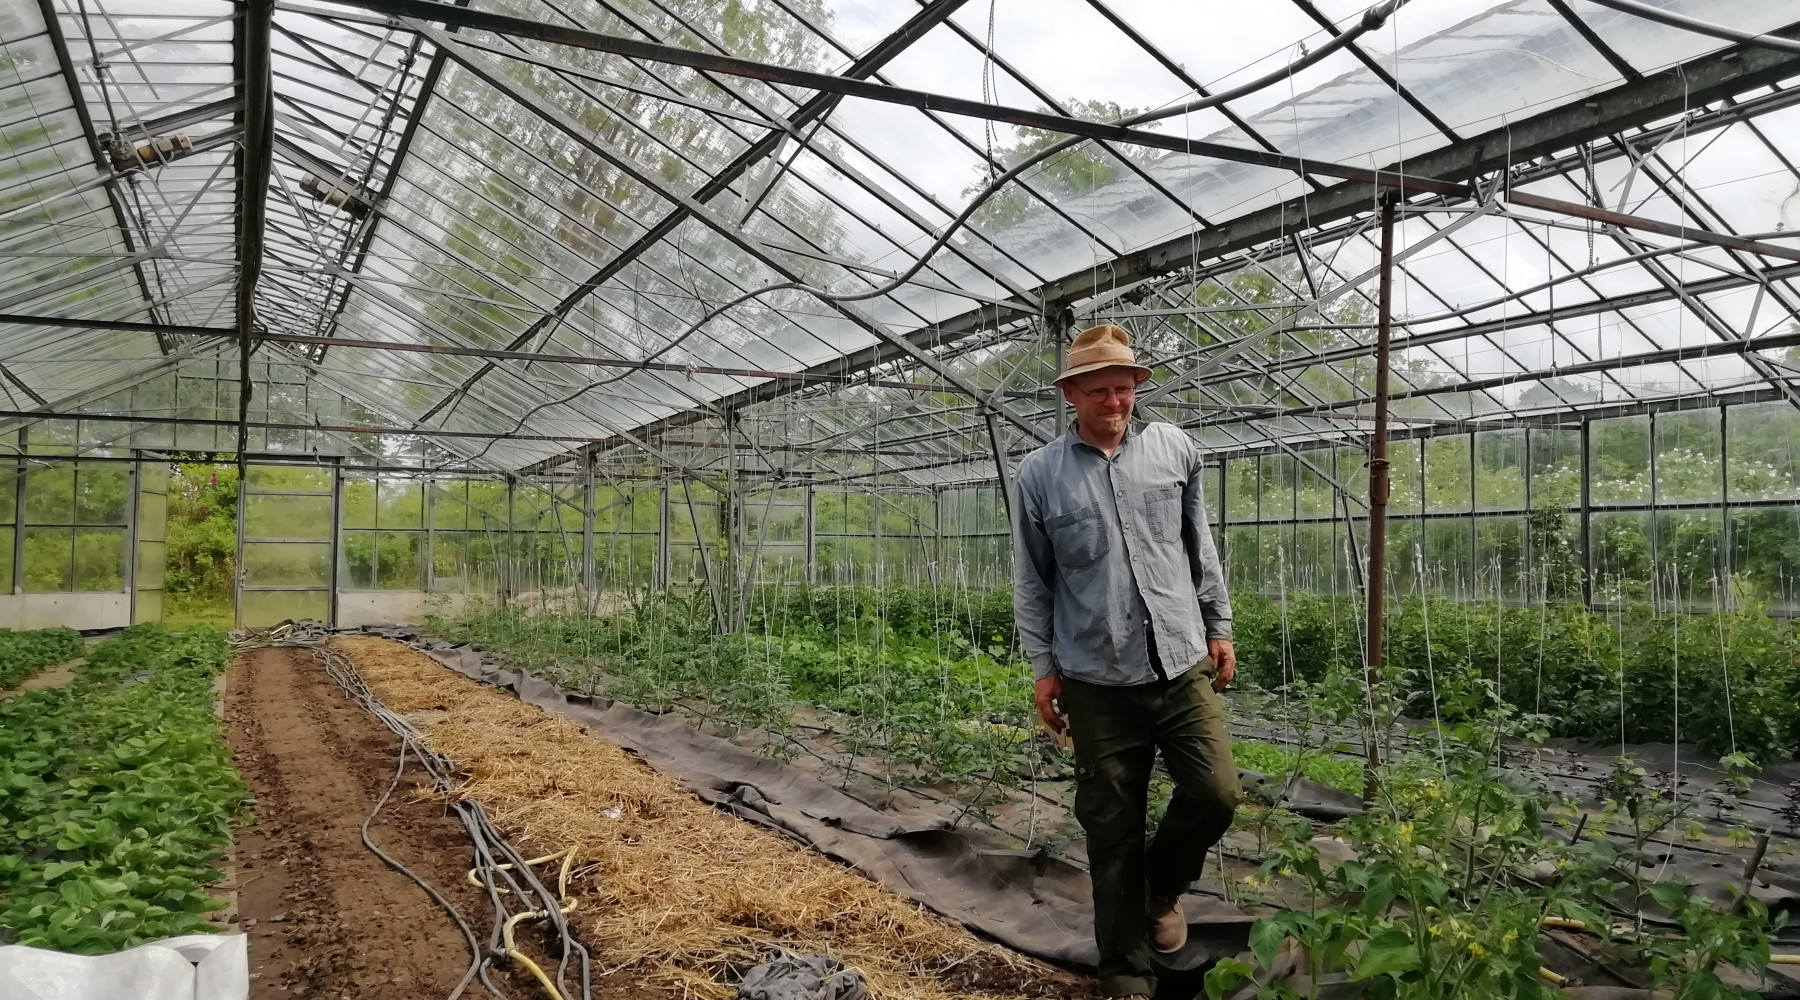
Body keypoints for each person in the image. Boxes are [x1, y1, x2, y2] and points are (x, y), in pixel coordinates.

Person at [1011, 324, 1240, 1000]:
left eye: (1124, 388)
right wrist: (1043, 667)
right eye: (1099, 391)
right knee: (1111, 827)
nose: (1114, 401)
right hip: (1094, 677)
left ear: (1136, 388)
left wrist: (1219, 625)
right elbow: (1033, 579)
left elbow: (1200, 545)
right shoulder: (1040, 474)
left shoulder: (1174, 448)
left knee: (1216, 793)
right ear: (1072, 395)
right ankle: (1125, 972)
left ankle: (1160, 890)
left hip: (1180, 660)